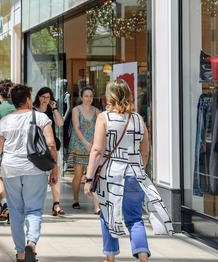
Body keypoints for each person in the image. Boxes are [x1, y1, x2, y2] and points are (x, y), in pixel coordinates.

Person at [84, 80, 173, 262]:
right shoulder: (138, 119)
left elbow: (97, 150)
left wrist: (89, 178)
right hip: (134, 174)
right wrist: (137, 168)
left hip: (110, 176)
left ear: (110, 96)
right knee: (135, 218)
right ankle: (142, 256)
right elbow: (146, 151)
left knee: (107, 215)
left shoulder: (104, 118)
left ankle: (110, 257)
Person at [0, 84, 59, 262]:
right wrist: (54, 169)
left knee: (16, 211)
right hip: (35, 169)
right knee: (34, 209)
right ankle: (31, 243)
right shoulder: (41, 118)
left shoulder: (5, 121)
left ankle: (20, 253)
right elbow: (51, 144)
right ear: (27, 100)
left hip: (10, 169)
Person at [33, 87, 65, 216]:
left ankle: (56, 204)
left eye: (47, 97)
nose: (45, 99)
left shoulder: (51, 111)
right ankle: (35, 202)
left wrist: (55, 108)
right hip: (37, 147)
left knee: (55, 172)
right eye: (43, 96)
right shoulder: (33, 110)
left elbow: (60, 123)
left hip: (51, 146)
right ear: (38, 97)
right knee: (37, 175)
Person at [68, 87, 101, 214]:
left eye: (91, 96)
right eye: (86, 96)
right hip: (79, 145)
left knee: (93, 175)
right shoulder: (76, 110)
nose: (89, 99)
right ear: (81, 97)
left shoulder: (97, 111)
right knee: (78, 175)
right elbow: (76, 127)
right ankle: (75, 199)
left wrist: (94, 143)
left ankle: (96, 206)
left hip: (93, 145)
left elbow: (100, 128)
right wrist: (85, 142)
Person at [0, 79, 15, 222]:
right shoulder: (18, 107)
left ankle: (4, 203)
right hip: (17, 147)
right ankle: (13, 206)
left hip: (2, 147)